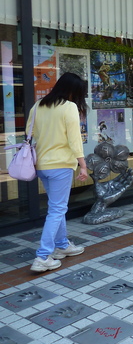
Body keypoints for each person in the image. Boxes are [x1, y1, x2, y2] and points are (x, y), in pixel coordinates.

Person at [27, 72, 89, 273]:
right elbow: (74, 139)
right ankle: (43, 256)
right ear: (72, 91)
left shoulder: (38, 105)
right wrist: (83, 165)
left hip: (42, 166)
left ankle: (62, 245)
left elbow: (30, 133)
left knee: (57, 207)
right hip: (61, 165)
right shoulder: (69, 107)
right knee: (57, 210)